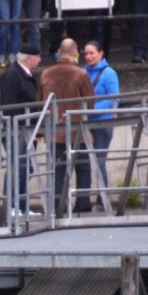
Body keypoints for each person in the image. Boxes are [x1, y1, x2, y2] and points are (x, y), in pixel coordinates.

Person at [37, 37, 95, 214]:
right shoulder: (80, 74)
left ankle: (58, 205)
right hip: (78, 131)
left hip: (54, 131)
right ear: (76, 52)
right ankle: (82, 203)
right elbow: (90, 101)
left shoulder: (46, 73)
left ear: (59, 52)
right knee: (83, 167)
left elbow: (39, 101)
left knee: (57, 170)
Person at [0, 45, 43, 219]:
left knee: (26, 168)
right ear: (28, 58)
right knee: (17, 168)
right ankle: (10, 206)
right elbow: (9, 104)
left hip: (27, 130)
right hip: (16, 131)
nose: (40, 60)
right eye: (37, 56)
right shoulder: (12, 75)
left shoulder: (25, 74)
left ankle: (22, 206)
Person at [82, 38, 119, 192]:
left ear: (101, 53)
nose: (88, 56)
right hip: (84, 122)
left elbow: (114, 99)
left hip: (102, 122)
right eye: (86, 54)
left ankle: (101, 200)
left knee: (99, 162)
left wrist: (90, 109)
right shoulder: (83, 71)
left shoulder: (109, 73)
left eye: (92, 53)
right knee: (84, 162)